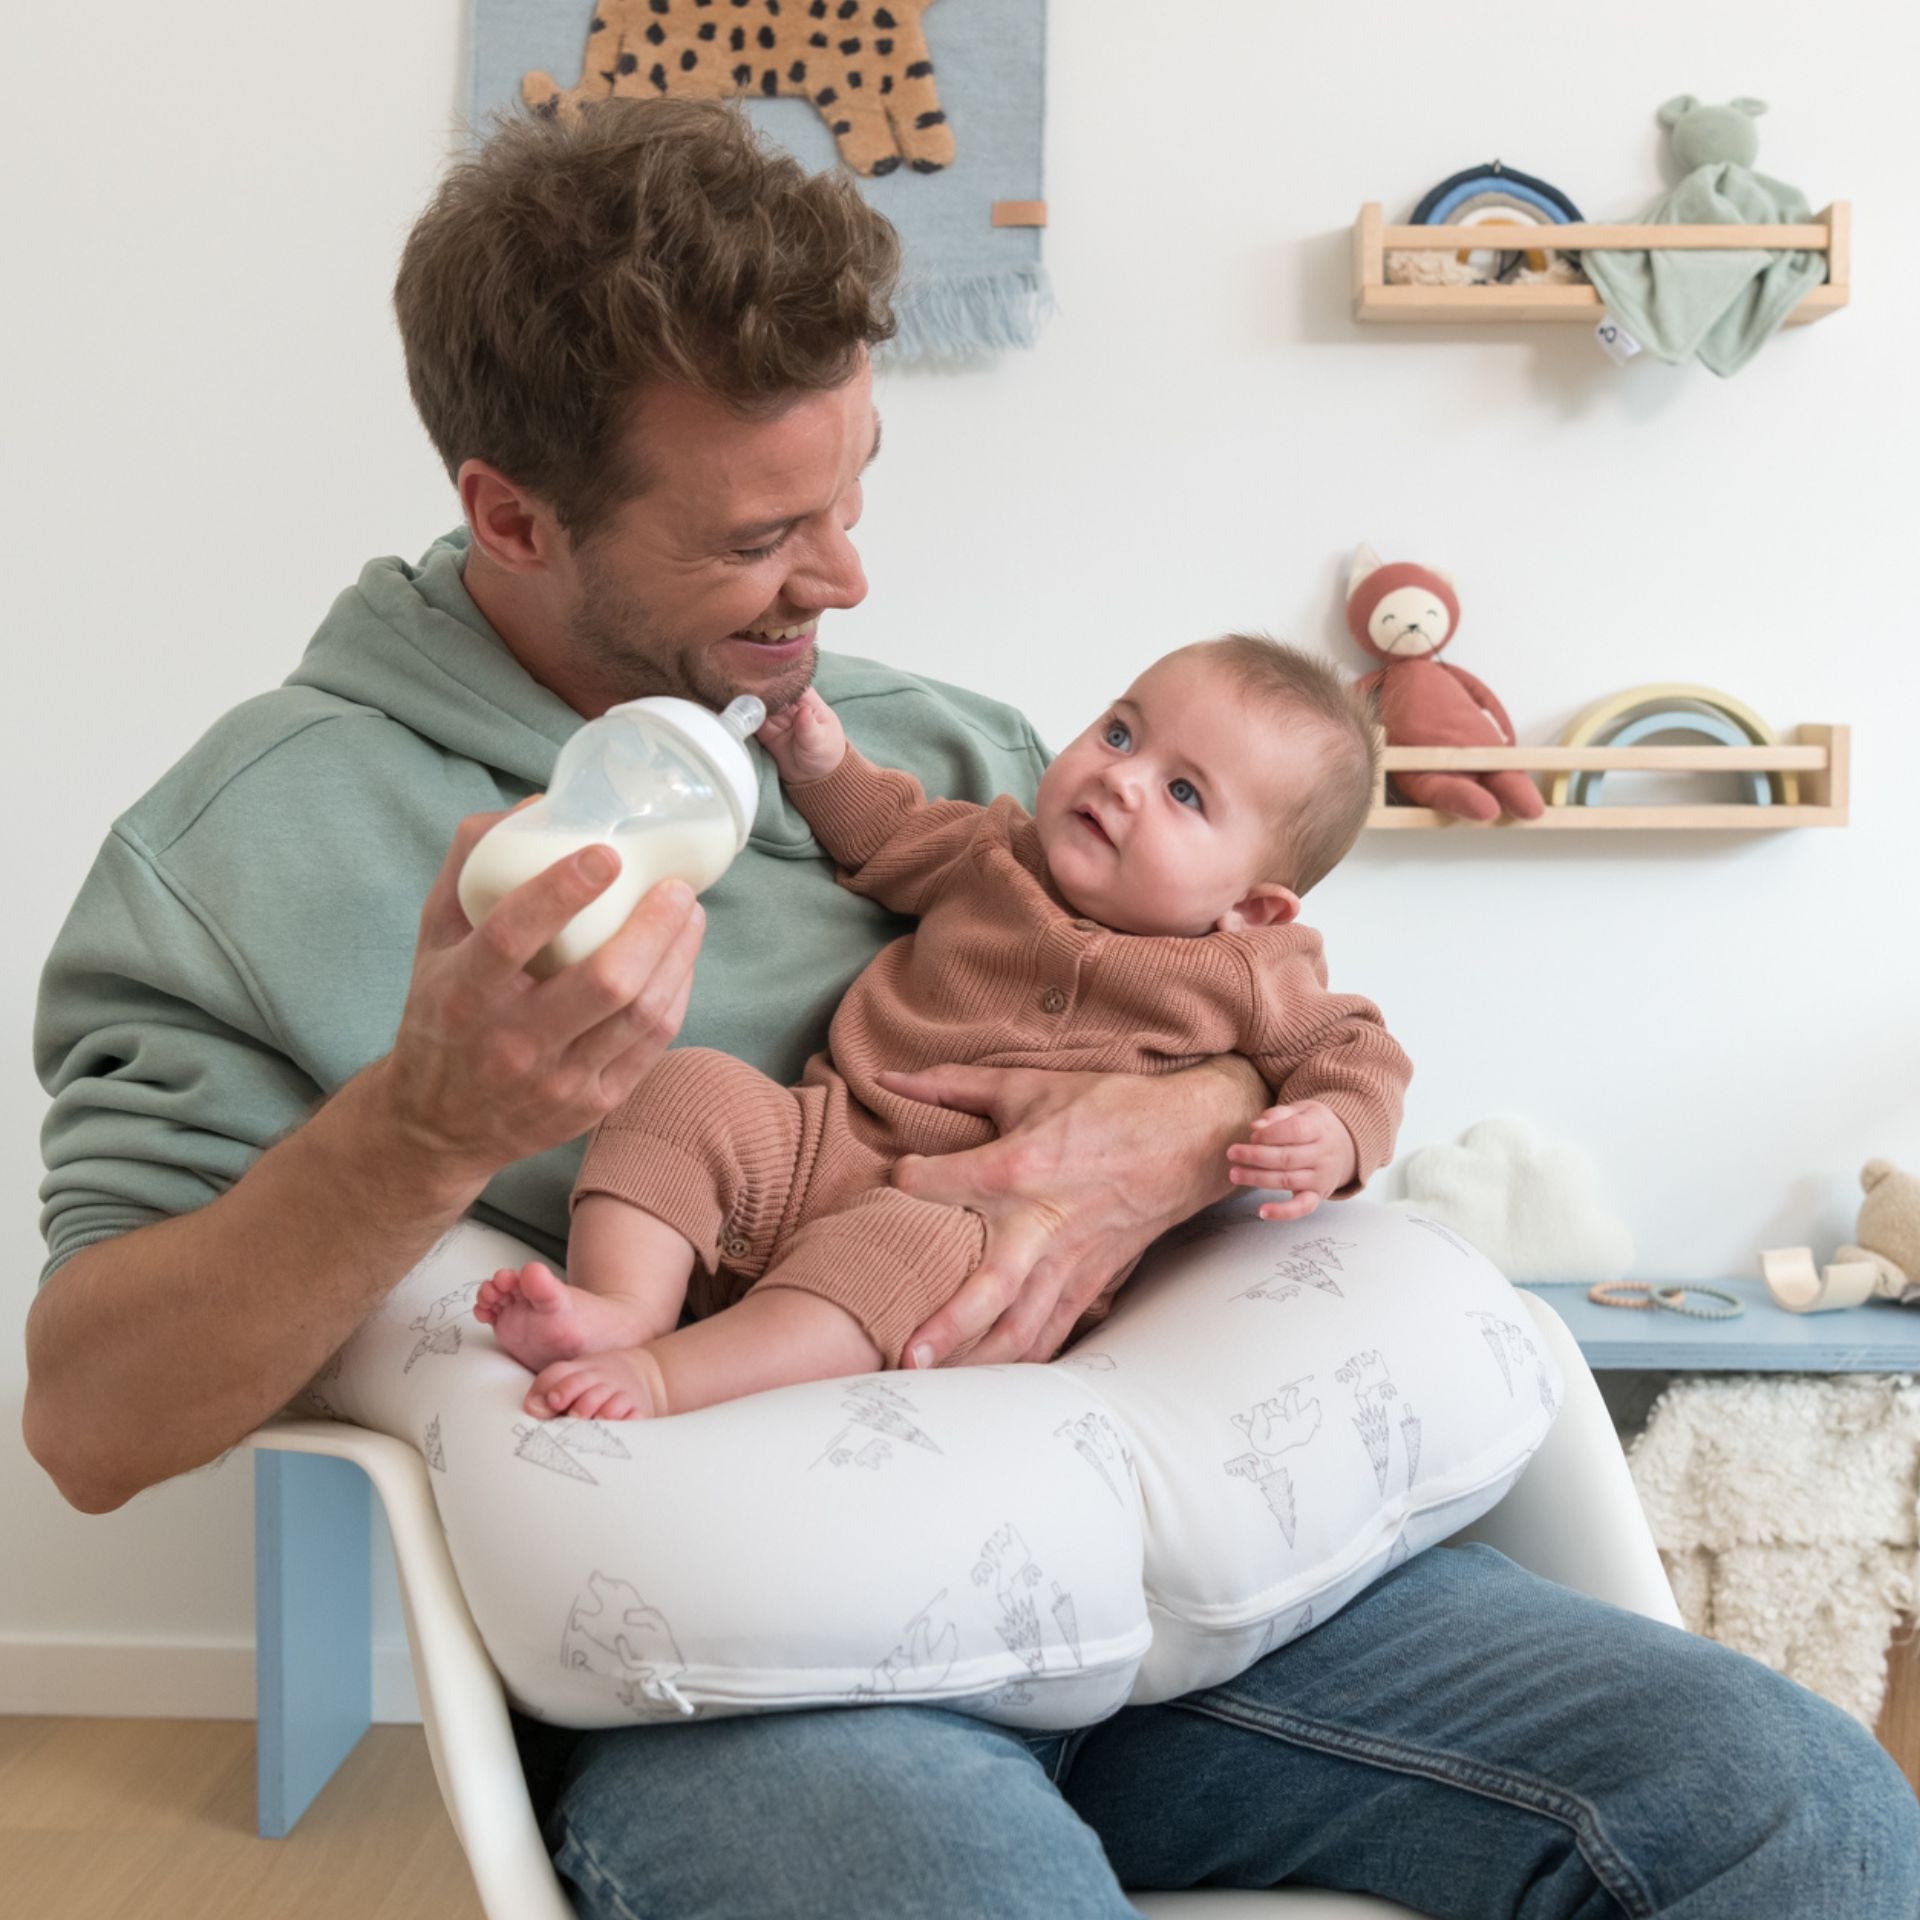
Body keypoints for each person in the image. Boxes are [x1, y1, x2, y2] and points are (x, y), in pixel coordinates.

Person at [24, 98, 1918, 1920]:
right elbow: (93, 1420)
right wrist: (429, 1124)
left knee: (1799, 1808)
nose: (845, 577)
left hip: (1194, 1568)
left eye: (856, 495)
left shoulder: (942, 750)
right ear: (511, 515)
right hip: (772, 1676)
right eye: (766, 534)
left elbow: (1234, 1033)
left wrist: (1165, 1139)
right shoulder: (243, 851)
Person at [478, 636, 1413, 1425]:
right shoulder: (995, 853)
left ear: (1251, 906)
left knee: (915, 1260)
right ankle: (622, 1308)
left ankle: (663, 1378)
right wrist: (821, 766)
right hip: (822, 1134)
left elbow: (1358, 1053)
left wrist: (1334, 1134)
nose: (1122, 778)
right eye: (1121, 733)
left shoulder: (1253, 973)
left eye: (1184, 794)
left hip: (971, 1218)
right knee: (686, 1089)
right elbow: (886, 834)